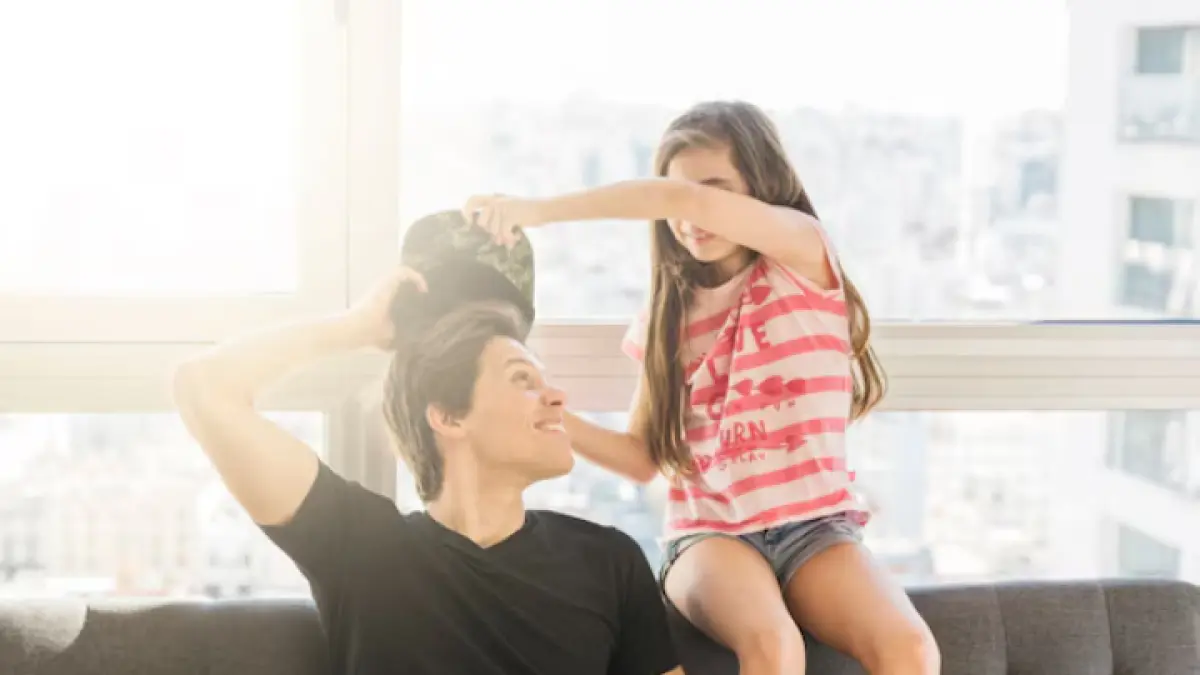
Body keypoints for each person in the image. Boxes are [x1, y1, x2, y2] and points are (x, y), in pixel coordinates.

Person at [463, 100, 940, 675]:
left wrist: (536, 212)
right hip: (709, 536)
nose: (689, 215)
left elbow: (687, 203)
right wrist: (549, 412)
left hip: (816, 528)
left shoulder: (803, 253)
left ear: (759, 189)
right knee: (774, 647)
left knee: (911, 649)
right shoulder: (667, 317)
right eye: (676, 196)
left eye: (715, 190)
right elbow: (642, 459)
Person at [172, 210, 683, 675]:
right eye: (522, 379)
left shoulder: (608, 562)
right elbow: (204, 387)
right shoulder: (361, 547)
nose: (556, 397)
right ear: (448, 416)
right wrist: (354, 329)